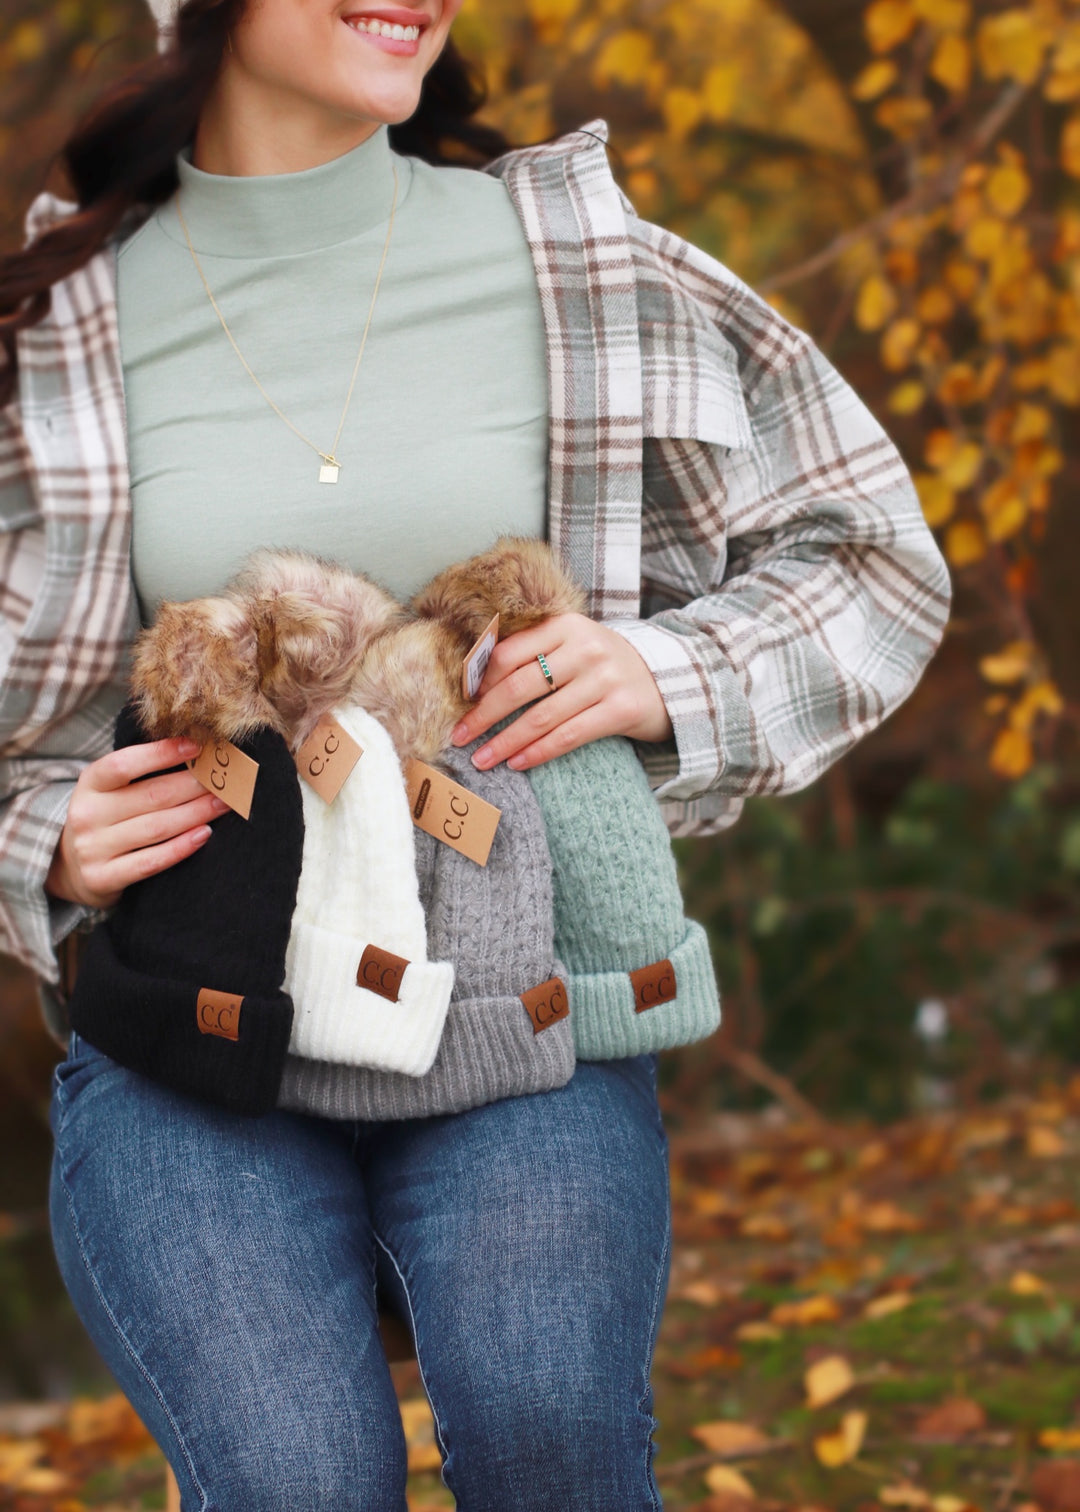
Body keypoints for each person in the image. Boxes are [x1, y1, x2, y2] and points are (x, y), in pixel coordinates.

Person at [0, 0, 952, 1506]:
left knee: (546, 1446)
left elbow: (875, 553)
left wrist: (665, 666)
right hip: (192, 1034)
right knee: (296, 1482)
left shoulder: (577, 264)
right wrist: (36, 830)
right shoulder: (57, 326)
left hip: (527, 1014)